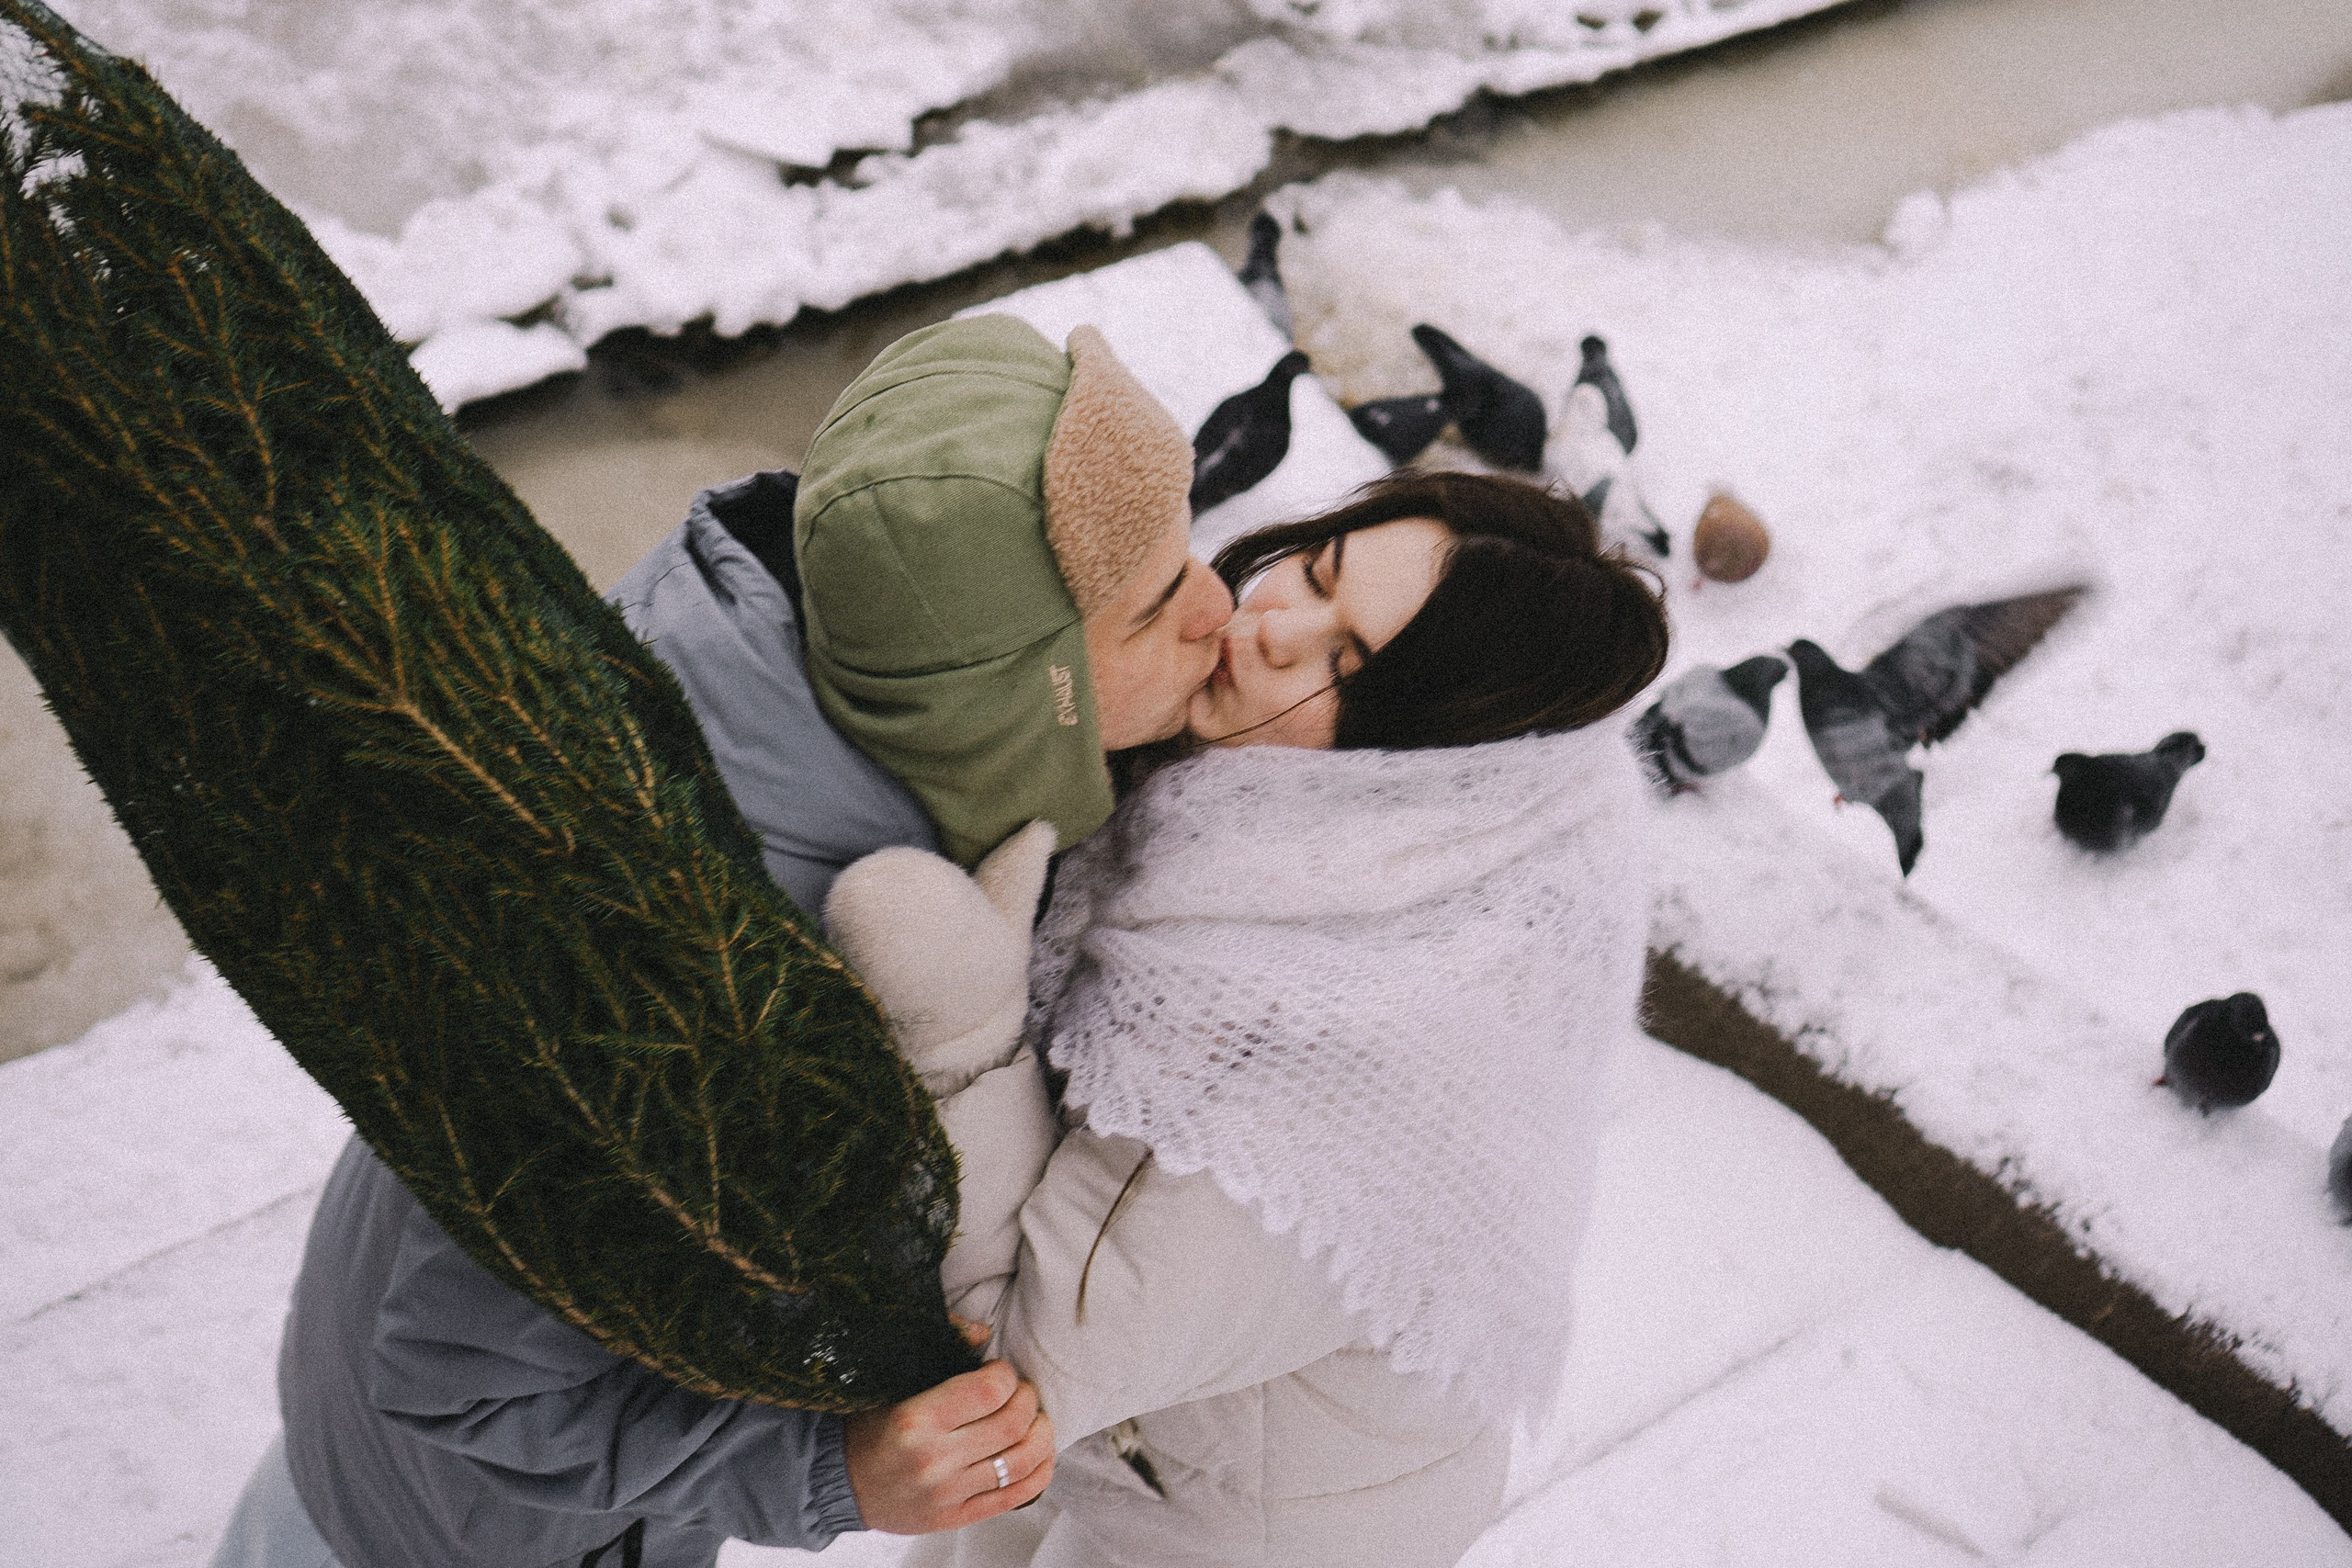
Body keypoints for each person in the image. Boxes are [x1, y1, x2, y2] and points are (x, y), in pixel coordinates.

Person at [214, 313, 1236, 1568]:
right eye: (1158, 605)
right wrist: (827, 1470)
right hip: (437, 1528)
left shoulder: (788, 692)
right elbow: (467, 1380)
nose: (1223, 610)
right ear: (1014, 695)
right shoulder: (670, 971)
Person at [824, 469, 1670, 1568]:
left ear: (1422, 753)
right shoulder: (1493, 798)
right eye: (1314, 571)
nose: (1272, 625)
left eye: (1345, 660)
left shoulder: (1286, 1054)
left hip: (1242, 1524)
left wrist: (952, 1028)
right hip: (1185, 1416)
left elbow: (1016, 1357)